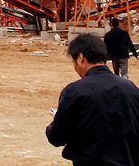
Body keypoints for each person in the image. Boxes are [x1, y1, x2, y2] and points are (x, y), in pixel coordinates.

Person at [46, 33, 139, 165]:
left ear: (80, 57)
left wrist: (56, 120)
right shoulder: (131, 88)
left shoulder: (75, 91)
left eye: (74, 62)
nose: (75, 68)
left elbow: (56, 137)